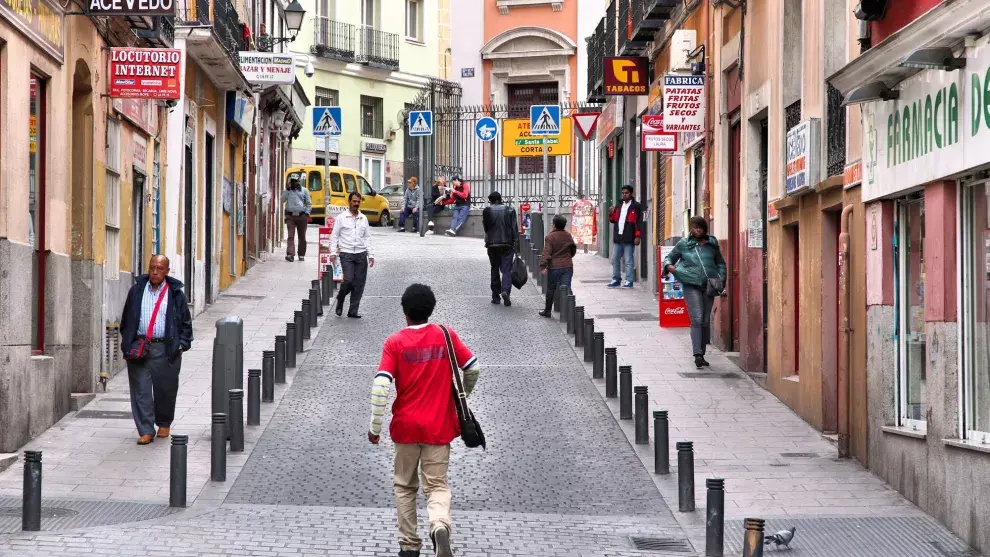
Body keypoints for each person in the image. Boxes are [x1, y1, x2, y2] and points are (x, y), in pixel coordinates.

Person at [369, 283, 480, 557]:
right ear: (430, 310)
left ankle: (409, 545)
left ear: (405, 312)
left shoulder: (395, 342)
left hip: (405, 428)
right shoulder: (446, 335)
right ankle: (439, 524)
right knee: (437, 485)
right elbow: (473, 367)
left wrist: (374, 427)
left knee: (405, 486)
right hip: (439, 427)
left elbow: (381, 385)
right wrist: (463, 393)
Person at [119, 255, 193, 445]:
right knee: (140, 390)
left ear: (167, 271)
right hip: (139, 347)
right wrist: (127, 343)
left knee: (165, 389)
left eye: (159, 268)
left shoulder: (175, 294)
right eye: (152, 267)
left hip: (166, 348)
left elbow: (185, 322)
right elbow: (126, 319)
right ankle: (145, 429)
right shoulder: (136, 290)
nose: (154, 271)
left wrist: (182, 345)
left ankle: (164, 422)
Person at [662, 216, 727, 368]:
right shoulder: (684, 244)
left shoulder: (712, 244)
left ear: (705, 229)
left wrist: (720, 279)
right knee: (697, 318)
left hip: (709, 285)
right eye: (695, 227)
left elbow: (721, 263)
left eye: (700, 227)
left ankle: (702, 354)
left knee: (705, 319)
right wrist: (671, 267)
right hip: (691, 284)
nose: (697, 230)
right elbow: (669, 258)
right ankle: (697, 354)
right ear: (691, 228)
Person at [329, 191, 375, 318]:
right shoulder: (341, 218)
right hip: (346, 253)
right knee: (348, 280)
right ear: (349, 202)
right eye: (354, 201)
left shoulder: (363, 218)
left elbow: (367, 238)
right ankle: (341, 298)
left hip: (361, 254)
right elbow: (334, 236)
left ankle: (353, 311)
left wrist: (370, 255)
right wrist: (333, 252)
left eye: (358, 202)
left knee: (359, 284)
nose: (356, 204)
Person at [481, 191, 519, 306]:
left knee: (494, 269)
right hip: (507, 244)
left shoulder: (487, 210)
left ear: (491, 201)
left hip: (492, 245)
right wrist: (517, 245)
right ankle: (505, 290)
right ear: (500, 199)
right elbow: (514, 228)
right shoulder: (510, 210)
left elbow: (486, 228)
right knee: (507, 269)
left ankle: (495, 296)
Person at [538, 214, 577, 318]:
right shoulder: (568, 235)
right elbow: (573, 250)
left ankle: (547, 311)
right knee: (567, 288)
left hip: (554, 267)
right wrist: (568, 257)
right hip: (567, 266)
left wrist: (543, 266)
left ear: (554, 225)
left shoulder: (550, 237)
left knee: (551, 288)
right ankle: (572, 312)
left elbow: (546, 252)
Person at [607, 185, 643, 288]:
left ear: (631, 194)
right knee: (615, 259)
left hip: (629, 237)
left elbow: (639, 222)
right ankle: (616, 279)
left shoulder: (636, 206)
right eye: (623, 193)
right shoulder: (619, 205)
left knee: (628, 260)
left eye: (626, 193)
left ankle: (629, 280)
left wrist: (638, 236)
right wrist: (610, 214)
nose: (624, 195)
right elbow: (614, 220)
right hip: (618, 236)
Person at [281, 176, 312, 262]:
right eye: (292, 181)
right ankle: (290, 254)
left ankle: (301, 254)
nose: (293, 183)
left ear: (299, 181)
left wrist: (307, 214)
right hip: (290, 216)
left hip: (301, 216)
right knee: (290, 236)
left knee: (302, 236)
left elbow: (309, 203)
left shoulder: (304, 191)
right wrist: (286, 190)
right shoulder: (288, 191)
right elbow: (282, 200)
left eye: (295, 181)